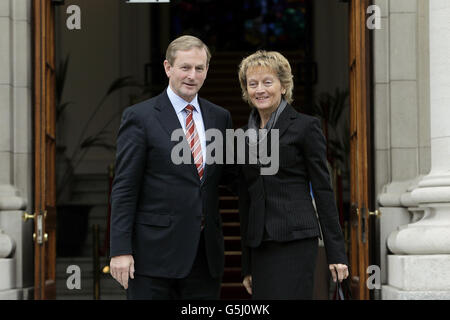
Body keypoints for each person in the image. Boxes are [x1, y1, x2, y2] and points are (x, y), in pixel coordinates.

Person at [109, 35, 233, 299]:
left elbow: (231, 178)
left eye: (199, 68)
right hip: (152, 258)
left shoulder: (220, 117)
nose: (192, 75)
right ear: (168, 68)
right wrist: (120, 249)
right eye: (185, 67)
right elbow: (124, 188)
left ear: (207, 71)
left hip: (204, 257)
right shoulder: (140, 117)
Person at [237, 50, 349, 299]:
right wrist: (247, 264)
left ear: (284, 86)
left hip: (295, 240)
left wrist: (336, 254)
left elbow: (323, 190)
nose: (260, 90)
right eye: (252, 84)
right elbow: (246, 198)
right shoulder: (243, 135)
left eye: (268, 82)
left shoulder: (305, 127)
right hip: (261, 245)